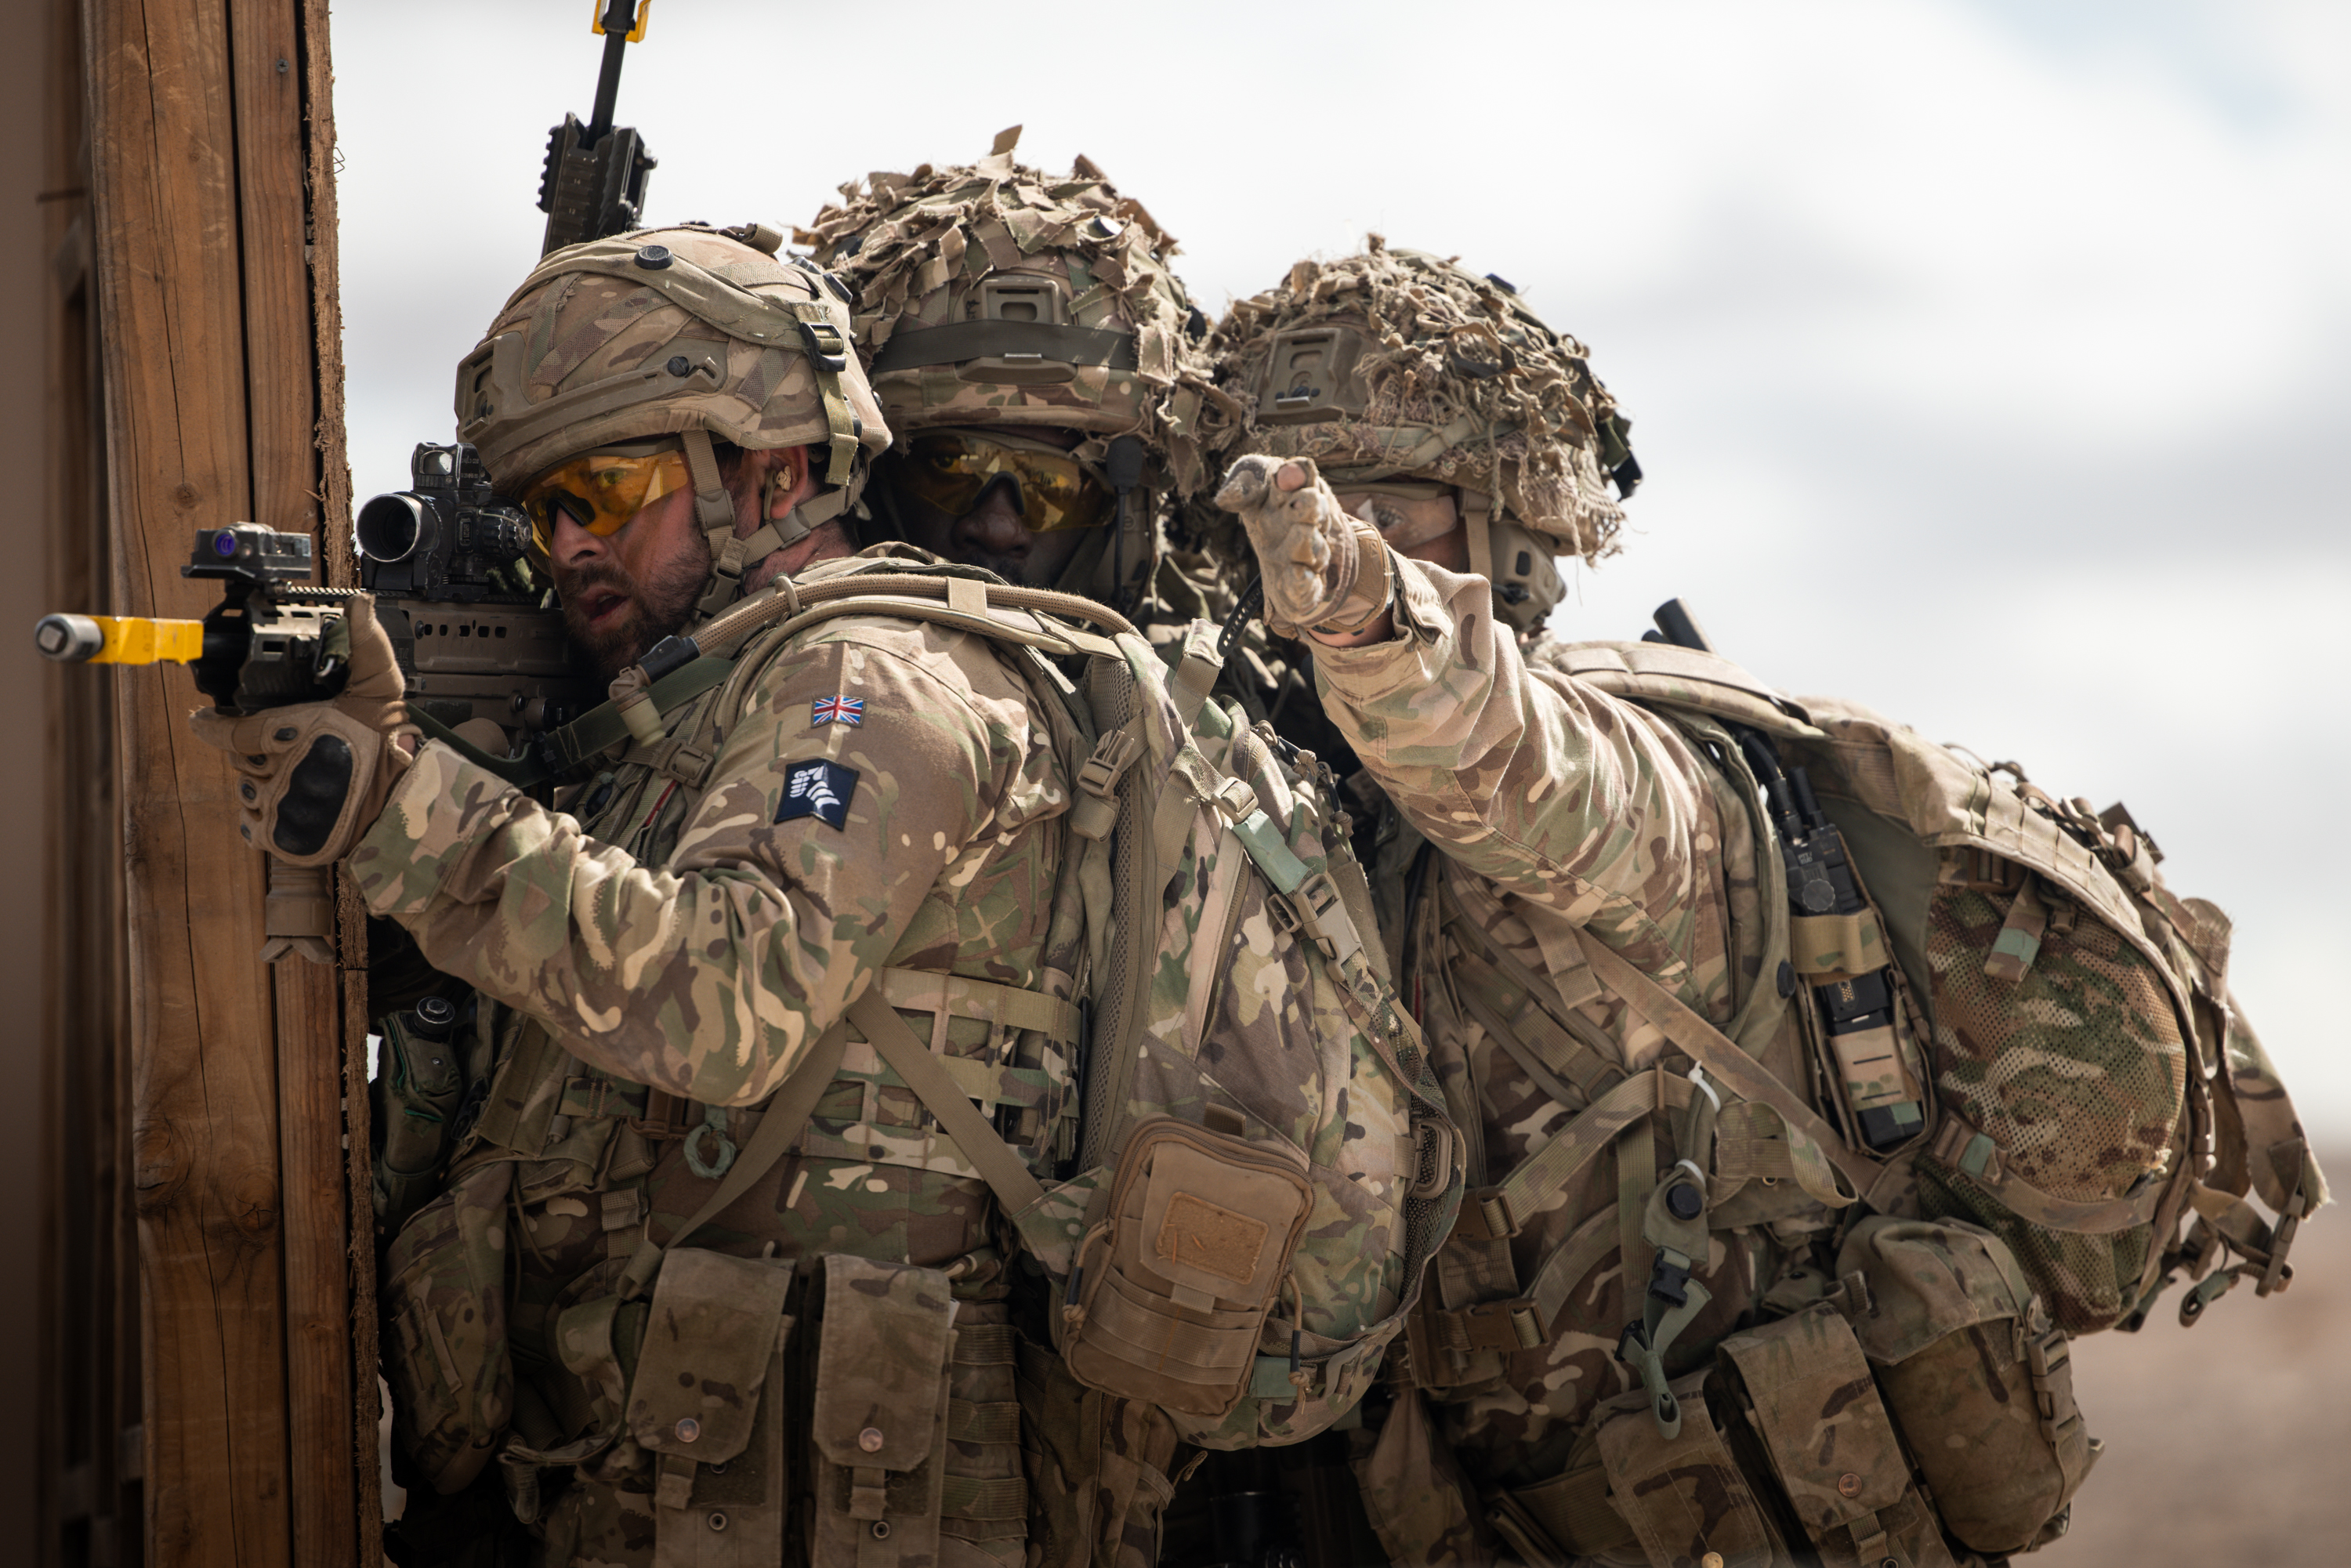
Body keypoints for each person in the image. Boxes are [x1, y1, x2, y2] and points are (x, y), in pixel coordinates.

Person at [1208, 240, 2325, 1567]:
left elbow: (1492, 749)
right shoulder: (1286, 812)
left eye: (1387, 514)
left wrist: (1360, 601)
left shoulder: (1641, 788)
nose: (1302, 551)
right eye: (1266, 524)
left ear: (1513, 539)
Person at [197, 222, 1113, 1568]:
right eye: (544, 510)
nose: (569, 540)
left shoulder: (872, 677)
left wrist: (401, 810)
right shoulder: (688, 701)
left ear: (774, 469)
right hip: (639, 1462)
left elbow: (726, 1004)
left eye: (610, 488)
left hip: (822, 1489)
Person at [793, 128, 1233, 623]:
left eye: (1055, 485)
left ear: (1123, 523)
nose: (998, 529)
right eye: (950, 466)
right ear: (862, 485)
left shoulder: (1191, 667)